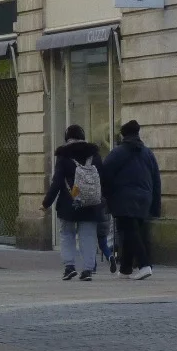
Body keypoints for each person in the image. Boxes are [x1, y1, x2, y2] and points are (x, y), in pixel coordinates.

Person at [100, 119, 162, 282]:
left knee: (129, 231)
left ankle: (144, 265)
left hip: (123, 198)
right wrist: (155, 204)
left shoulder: (118, 152)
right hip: (145, 197)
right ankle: (126, 268)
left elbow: (105, 174)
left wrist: (107, 195)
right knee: (132, 231)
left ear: (123, 135)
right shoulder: (148, 153)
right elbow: (156, 179)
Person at [42, 124, 104, 281]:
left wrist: (46, 203)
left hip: (68, 203)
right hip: (91, 203)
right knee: (88, 236)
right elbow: (102, 179)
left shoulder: (64, 155)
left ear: (66, 138)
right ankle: (88, 270)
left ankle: (69, 267)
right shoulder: (94, 154)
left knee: (67, 234)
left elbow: (56, 182)